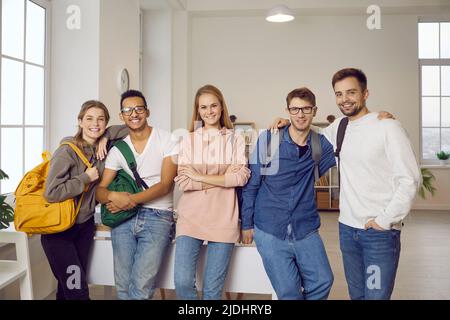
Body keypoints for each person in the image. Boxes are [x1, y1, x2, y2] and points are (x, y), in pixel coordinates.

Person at [272, 68, 421, 300]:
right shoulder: (340, 127)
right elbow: (312, 135)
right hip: (348, 229)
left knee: (375, 296)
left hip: (378, 234)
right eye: (339, 94)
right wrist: (287, 123)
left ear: (365, 93)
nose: (345, 99)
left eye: (351, 92)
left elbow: (410, 179)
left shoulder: (388, 127)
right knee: (357, 296)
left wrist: (385, 220)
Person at [240, 87, 335, 300]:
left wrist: (378, 119)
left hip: (306, 227)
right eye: (295, 109)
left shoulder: (322, 145)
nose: (300, 114)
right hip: (270, 227)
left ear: (314, 110)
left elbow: (350, 137)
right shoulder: (269, 140)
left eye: (305, 109)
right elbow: (252, 184)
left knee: (323, 281)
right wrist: (246, 224)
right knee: (288, 292)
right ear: (287, 111)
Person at [95, 90, 178, 300]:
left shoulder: (168, 140)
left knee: (141, 287)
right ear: (122, 116)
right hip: (124, 221)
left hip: (158, 216)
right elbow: (99, 191)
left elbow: (165, 185)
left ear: (147, 111)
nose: (134, 113)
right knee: (123, 286)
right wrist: (114, 196)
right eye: (128, 110)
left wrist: (128, 200)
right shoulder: (118, 150)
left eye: (139, 108)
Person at [43, 100, 128, 300]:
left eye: (100, 119)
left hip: (83, 227)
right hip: (60, 232)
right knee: (77, 290)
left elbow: (130, 127)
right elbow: (51, 192)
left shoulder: (102, 149)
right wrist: (84, 178)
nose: (95, 124)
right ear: (80, 121)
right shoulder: (67, 151)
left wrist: (105, 137)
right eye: (89, 118)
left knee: (67, 291)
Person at [173, 84, 250, 300]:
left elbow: (241, 177)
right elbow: (184, 183)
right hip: (190, 217)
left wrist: (199, 176)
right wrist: (223, 180)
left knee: (212, 291)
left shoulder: (235, 139)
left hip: (224, 218)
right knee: (182, 281)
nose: (209, 111)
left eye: (213, 105)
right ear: (197, 111)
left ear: (222, 107)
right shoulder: (188, 140)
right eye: (203, 107)